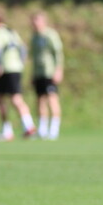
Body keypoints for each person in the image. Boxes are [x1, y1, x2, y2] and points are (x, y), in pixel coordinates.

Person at [0, 13, 36, 141]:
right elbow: (23, 49)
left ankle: (8, 130)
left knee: (4, 99)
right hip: (17, 69)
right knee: (14, 98)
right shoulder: (12, 32)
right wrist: (21, 62)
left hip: (6, 69)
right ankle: (28, 126)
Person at [30, 12, 64, 140]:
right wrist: (32, 74)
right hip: (39, 73)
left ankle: (54, 130)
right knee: (40, 100)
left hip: (50, 72)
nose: (34, 23)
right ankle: (42, 130)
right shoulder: (34, 37)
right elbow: (34, 57)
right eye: (33, 21)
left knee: (52, 99)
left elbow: (58, 53)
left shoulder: (50, 35)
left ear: (43, 21)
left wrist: (58, 70)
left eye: (37, 20)